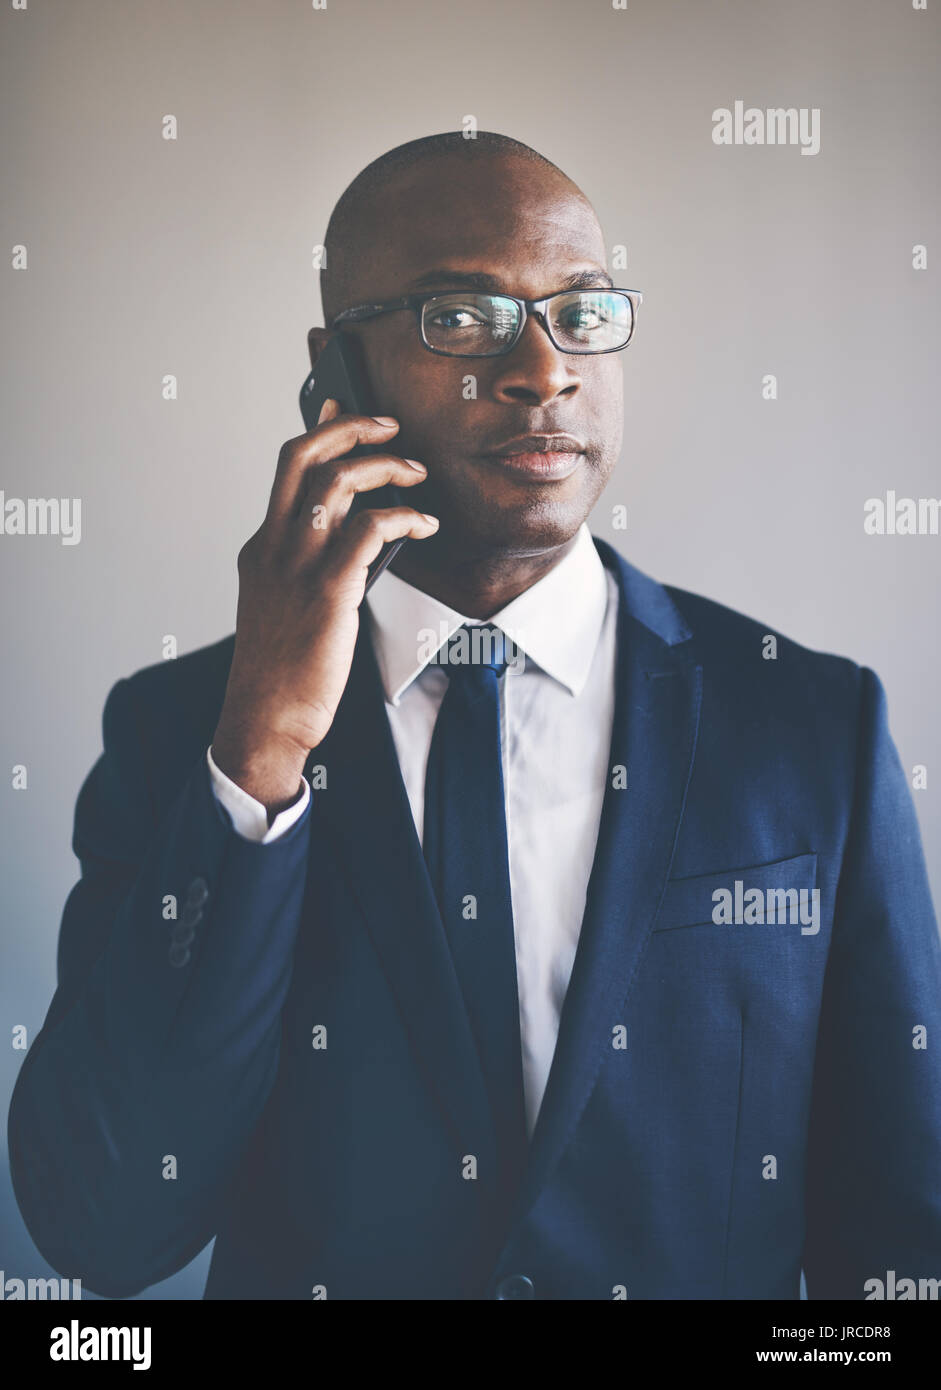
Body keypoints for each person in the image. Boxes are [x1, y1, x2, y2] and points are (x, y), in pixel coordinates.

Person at [8, 132, 941, 1301]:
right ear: (334, 371)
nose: (541, 368)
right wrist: (258, 760)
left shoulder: (812, 728)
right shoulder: (183, 732)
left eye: (581, 312)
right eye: (462, 317)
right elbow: (99, 1223)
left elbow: (898, 1240)